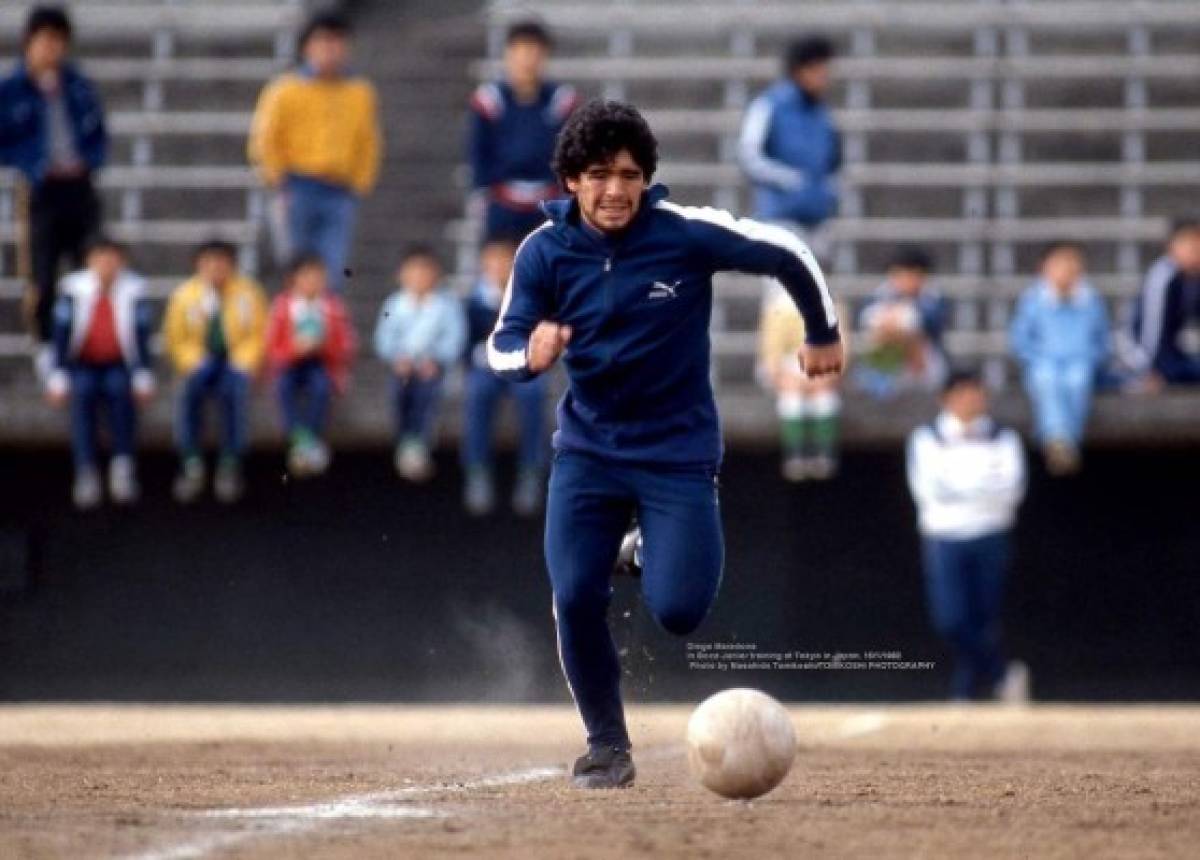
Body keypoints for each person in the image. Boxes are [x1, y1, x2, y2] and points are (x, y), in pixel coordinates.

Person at [488, 99, 843, 788]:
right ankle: (606, 746)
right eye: (597, 174)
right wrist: (527, 356)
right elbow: (501, 345)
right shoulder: (543, 252)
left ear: (647, 178)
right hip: (588, 452)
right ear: (569, 181)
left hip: (677, 453)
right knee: (574, 594)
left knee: (680, 611)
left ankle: (644, 547)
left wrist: (821, 331)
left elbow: (789, 251)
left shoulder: (683, 234)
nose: (614, 189)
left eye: (628, 174)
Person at [906, 369, 1029, 703]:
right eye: (962, 393)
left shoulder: (1004, 438)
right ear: (945, 399)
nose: (971, 400)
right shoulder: (926, 437)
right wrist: (981, 485)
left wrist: (963, 487)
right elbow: (931, 490)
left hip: (991, 534)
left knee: (984, 617)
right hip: (944, 537)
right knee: (951, 619)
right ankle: (1002, 674)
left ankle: (965, 691)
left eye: (976, 392)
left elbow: (1011, 488)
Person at [0, 6, 106, 381]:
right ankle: (46, 345)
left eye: (58, 41)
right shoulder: (11, 89)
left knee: (88, 270)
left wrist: (92, 159)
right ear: (29, 43)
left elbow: (97, 130)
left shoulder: (77, 84)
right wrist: (31, 164)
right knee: (42, 273)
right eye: (44, 41)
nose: (51, 49)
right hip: (40, 189)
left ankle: (80, 345)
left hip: (79, 184)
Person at [247, 10, 381, 290]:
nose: (330, 50)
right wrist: (278, 180)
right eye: (323, 42)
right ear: (307, 46)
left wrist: (359, 183)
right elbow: (265, 140)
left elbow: (369, 141)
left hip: (339, 190)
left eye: (337, 42)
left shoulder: (359, 92)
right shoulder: (285, 90)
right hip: (298, 186)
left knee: (333, 271)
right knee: (296, 267)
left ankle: (326, 331)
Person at [45, 238, 153, 509]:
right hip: (82, 363)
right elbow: (60, 335)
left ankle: (122, 465)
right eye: (100, 258)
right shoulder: (72, 290)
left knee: (120, 392)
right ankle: (86, 470)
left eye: (112, 258)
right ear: (90, 261)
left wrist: (142, 375)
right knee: (82, 394)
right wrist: (57, 375)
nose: (106, 264)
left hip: (118, 363)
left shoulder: (135, 290)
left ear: (122, 261)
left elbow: (141, 337)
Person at [163, 240, 269, 504]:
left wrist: (244, 361)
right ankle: (191, 458)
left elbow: (258, 334)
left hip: (235, 362)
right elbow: (175, 338)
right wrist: (192, 360)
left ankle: (231, 460)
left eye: (221, 262)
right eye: (209, 262)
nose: (215, 268)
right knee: (187, 391)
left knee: (234, 391)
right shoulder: (185, 296)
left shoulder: (249, 293)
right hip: (199, 361)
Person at [467, 20, 580, 242]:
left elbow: (573, 154)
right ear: (508, 55)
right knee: (504, 271)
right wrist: (483, 193)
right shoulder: (489, 100)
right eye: (521, 52)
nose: (527, 60)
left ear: (545, 56)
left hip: (550, 200)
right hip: (502, 202)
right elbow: (478, 151)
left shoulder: (562, 101)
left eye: (534, 52)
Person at [462, 237, 549, 515]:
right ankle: (477, 470)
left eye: (505, 261)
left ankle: (531, 470)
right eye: (493, 261)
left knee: (533, 393)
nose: (499, 267)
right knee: (477, 392)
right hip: (485, 370)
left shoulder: (530, 298)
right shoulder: (473, 302)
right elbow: (463, 344)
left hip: (522, 369)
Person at [1009, 241, 1109, 475]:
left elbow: (1101, 339)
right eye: (1059, 262)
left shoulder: (1091, 300)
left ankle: (1066, 441)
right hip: (1043, 363)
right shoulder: (1032, 300)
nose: (1066, 268)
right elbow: (1021, 339)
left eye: (1072, 261)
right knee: (1046, 380)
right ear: (1044, 267)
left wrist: (1092, 358)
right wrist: (1034, 358)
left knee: (1078, 380)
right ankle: (1058, 439)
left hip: (1081, 362)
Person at [738, 35, 841, 257]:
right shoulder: (768, 105)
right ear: (799, 70)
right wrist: (789, 180)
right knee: (781, 291)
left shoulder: (822, 113)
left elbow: (833, 162)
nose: (824, 76)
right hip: (780, 220)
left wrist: (827, 193)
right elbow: (749, 157)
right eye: (817, 68)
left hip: (818, 222)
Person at [373, 246, 466, 482]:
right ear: (401, 275)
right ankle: (404, 439)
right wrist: (397, 357)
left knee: (428, 394)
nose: (419, 278)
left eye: (425, 272)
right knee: (398, 393)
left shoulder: (446, 306)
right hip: (402, 367)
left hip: (433, 369)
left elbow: (455, 338)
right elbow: (383, 338)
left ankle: (421, 441)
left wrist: (436, 359)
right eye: (413, 272)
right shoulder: (393, 305)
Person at [267, 253, 355, 477]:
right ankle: (299, 437)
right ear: (293, 279)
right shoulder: (282, 307)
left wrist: (322, 346)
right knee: (284, 387)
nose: (312, 282)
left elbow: (345, 344)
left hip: (322, 363)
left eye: (318, 277)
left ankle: (312, 437)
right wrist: (294, 350)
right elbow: (272, 346)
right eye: (306, 276)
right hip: (290, 364)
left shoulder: (333, 307)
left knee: (321, 388)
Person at [758, 283, 846, 480]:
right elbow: (771, 353)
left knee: (825, 398)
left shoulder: (830, 303)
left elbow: (841, 346)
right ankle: (795, 454)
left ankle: (824, 452)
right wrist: (783, 377)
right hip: (788, 369)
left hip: (823, 367)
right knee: (792, 399)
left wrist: (829, 374)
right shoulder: (777, 304)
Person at [856, 245, 948, 399]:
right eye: (900, 274)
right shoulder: (879, 295)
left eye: (912, 274)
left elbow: (928, 324)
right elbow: (866, 320)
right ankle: (879, 387)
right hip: (887, 359)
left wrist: (900, 321)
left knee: (908, 330)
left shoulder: (934, 298)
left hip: (926, 362)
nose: (906, 280)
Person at [1122, 218, 1200, 388]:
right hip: (1146, 355)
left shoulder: (1193, 277)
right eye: (1189, 245)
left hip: (1177, 351)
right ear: (1171, 246)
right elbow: (1150, 330)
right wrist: (1148, 369)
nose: (1194, 251)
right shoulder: (1162, 277)